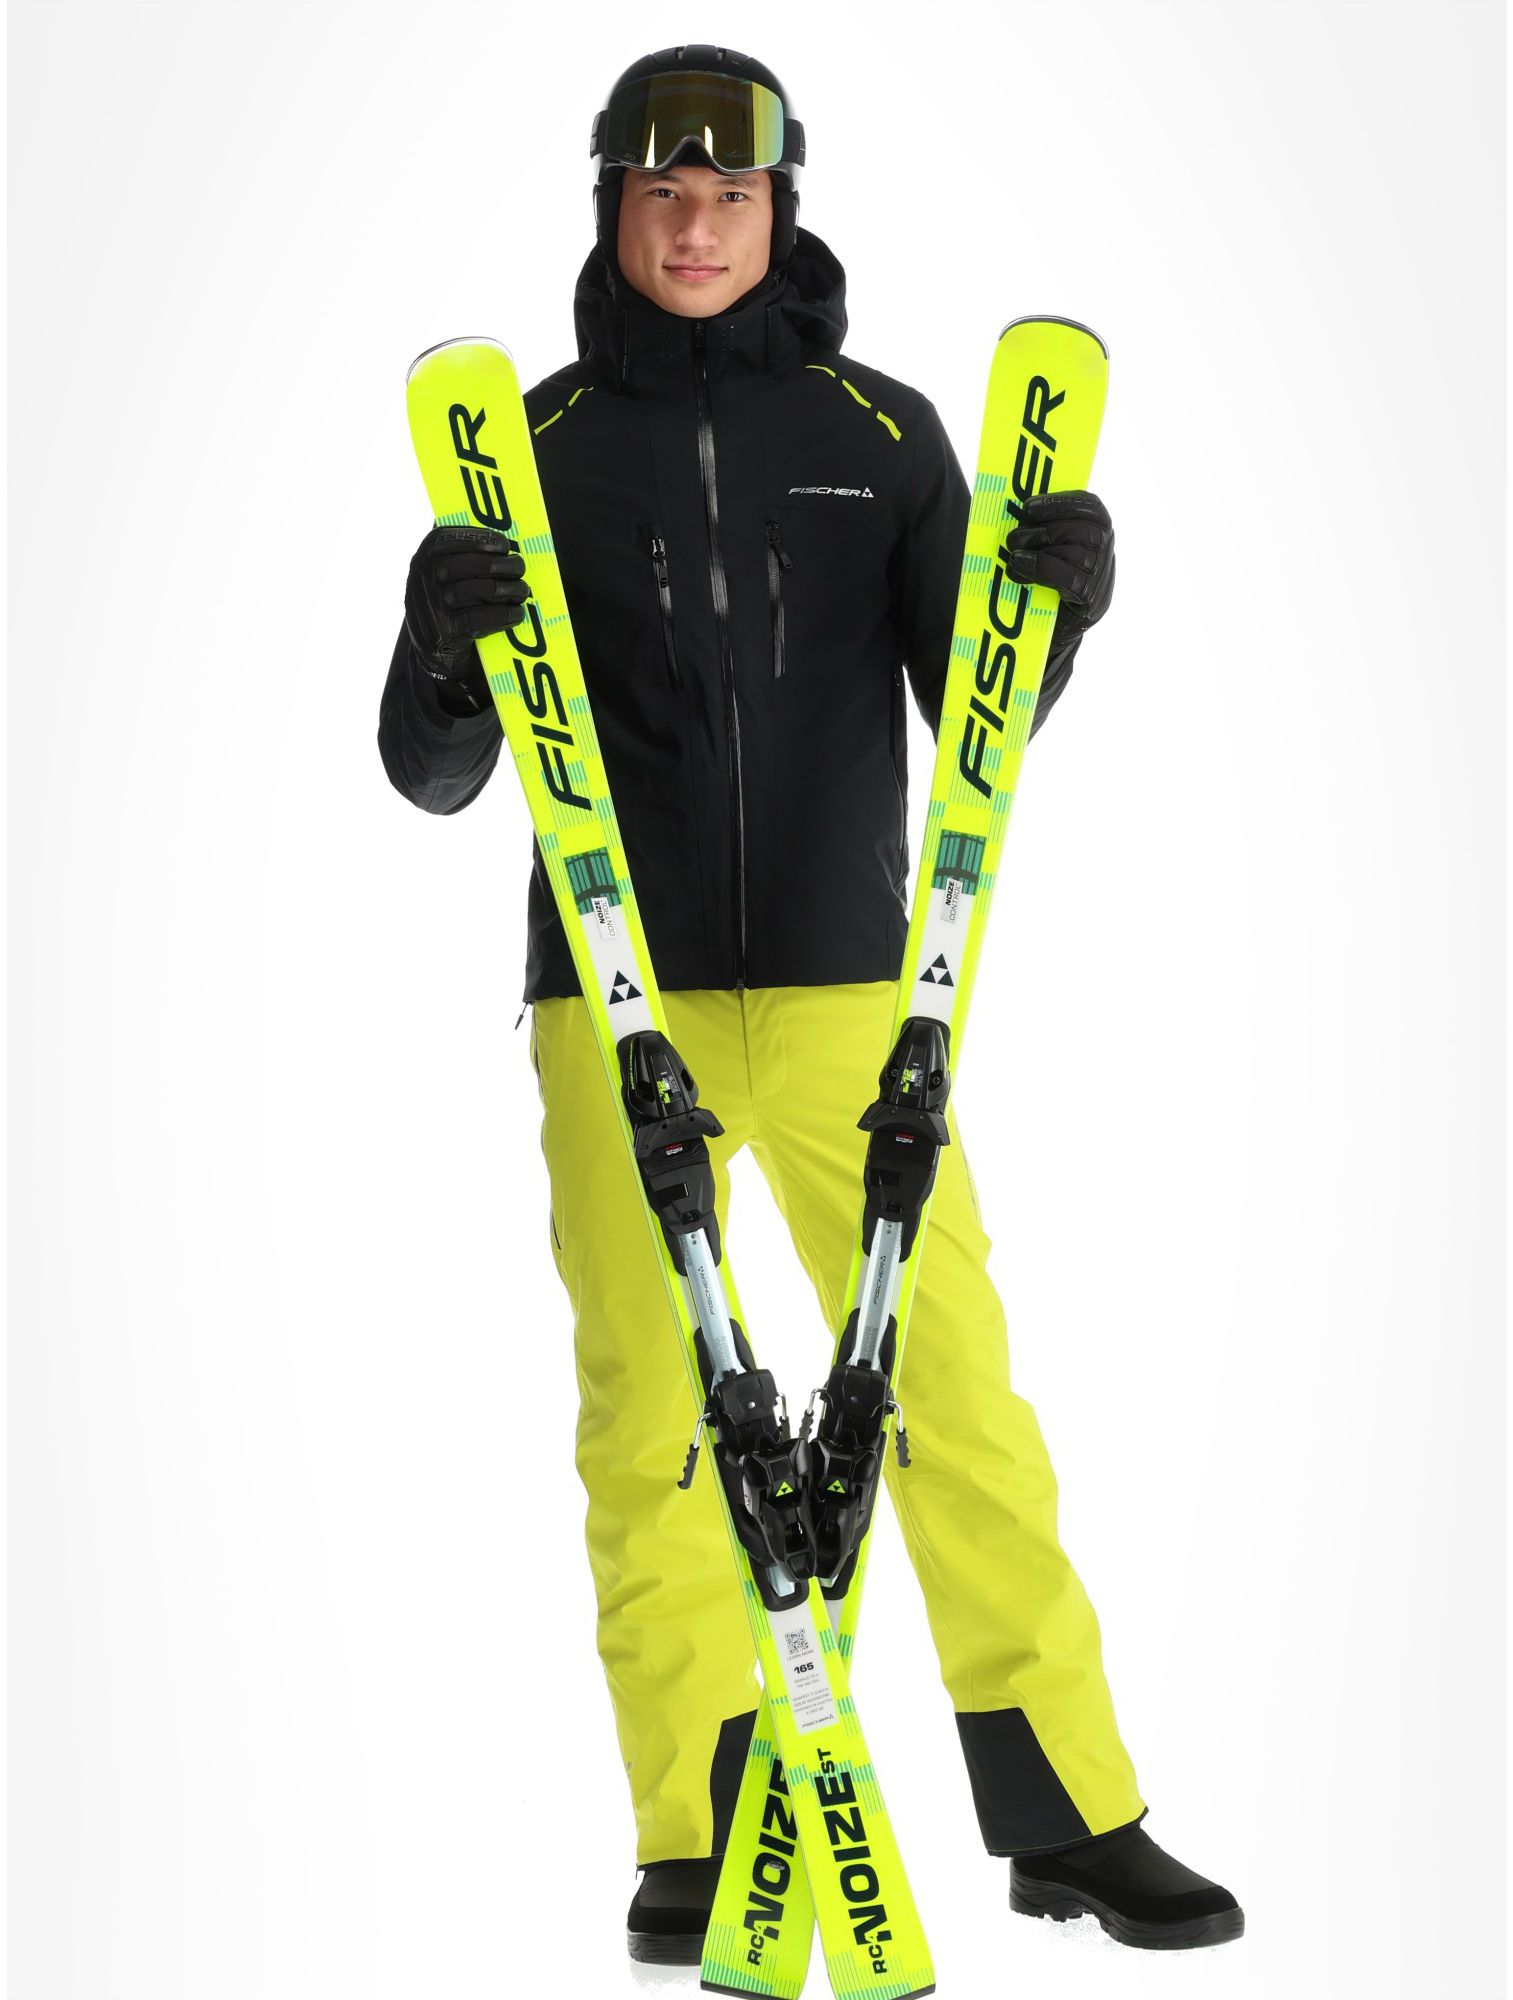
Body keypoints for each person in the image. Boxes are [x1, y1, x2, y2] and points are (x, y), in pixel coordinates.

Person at [380, 44, 1243, 1962]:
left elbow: (975, 715)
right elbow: (431, 774)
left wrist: (1056, 611)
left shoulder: (883, 429)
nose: (696, 230)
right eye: (661, 195)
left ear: (781, 211)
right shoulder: (529, 447)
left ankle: (1070, 1812)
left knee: (951, 1396)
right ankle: (694, 1835)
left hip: (862, 992)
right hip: (613, 998)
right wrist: (441, 651)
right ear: (610, 206)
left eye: (732, 198)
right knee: (653, 1423)